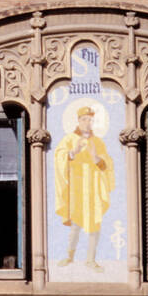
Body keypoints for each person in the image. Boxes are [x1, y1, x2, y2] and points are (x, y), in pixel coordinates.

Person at [54, 106, 115, 271]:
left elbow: (107, 162)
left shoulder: (98, 141)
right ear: (78, 120)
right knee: (76, 223)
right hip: (76, 186)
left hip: (93, 186)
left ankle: (91, 259)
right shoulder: (69, 139)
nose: (87, 123)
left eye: (90, 119)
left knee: (95, 223)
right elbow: (59, 156)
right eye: (84, 119)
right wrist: (73, 152)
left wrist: (97, 158)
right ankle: (69, 255)